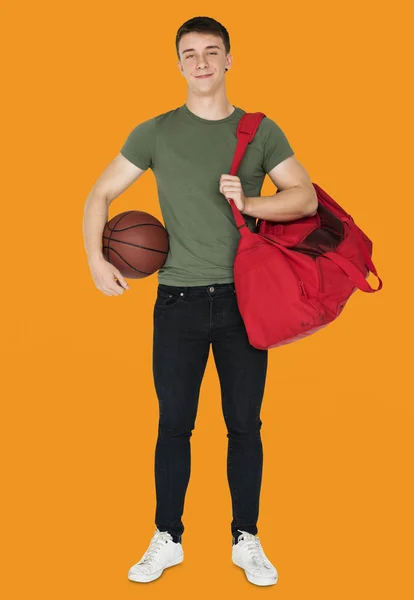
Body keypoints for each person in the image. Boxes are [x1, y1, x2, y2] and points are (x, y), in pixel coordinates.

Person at [83, 15, 318, 587]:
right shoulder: (156, 132)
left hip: (244, 303)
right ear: (180, 63)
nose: (203, 62)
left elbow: (305, 198)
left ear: (229, 59)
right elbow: (101, 193)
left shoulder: (260, 131)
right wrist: (96, 260)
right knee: (174, 425)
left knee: (244, 424)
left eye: (213, 52)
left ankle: (247, 539)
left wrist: (252, 203)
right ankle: (167, 537)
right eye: (191, 54)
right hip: (177, 303)